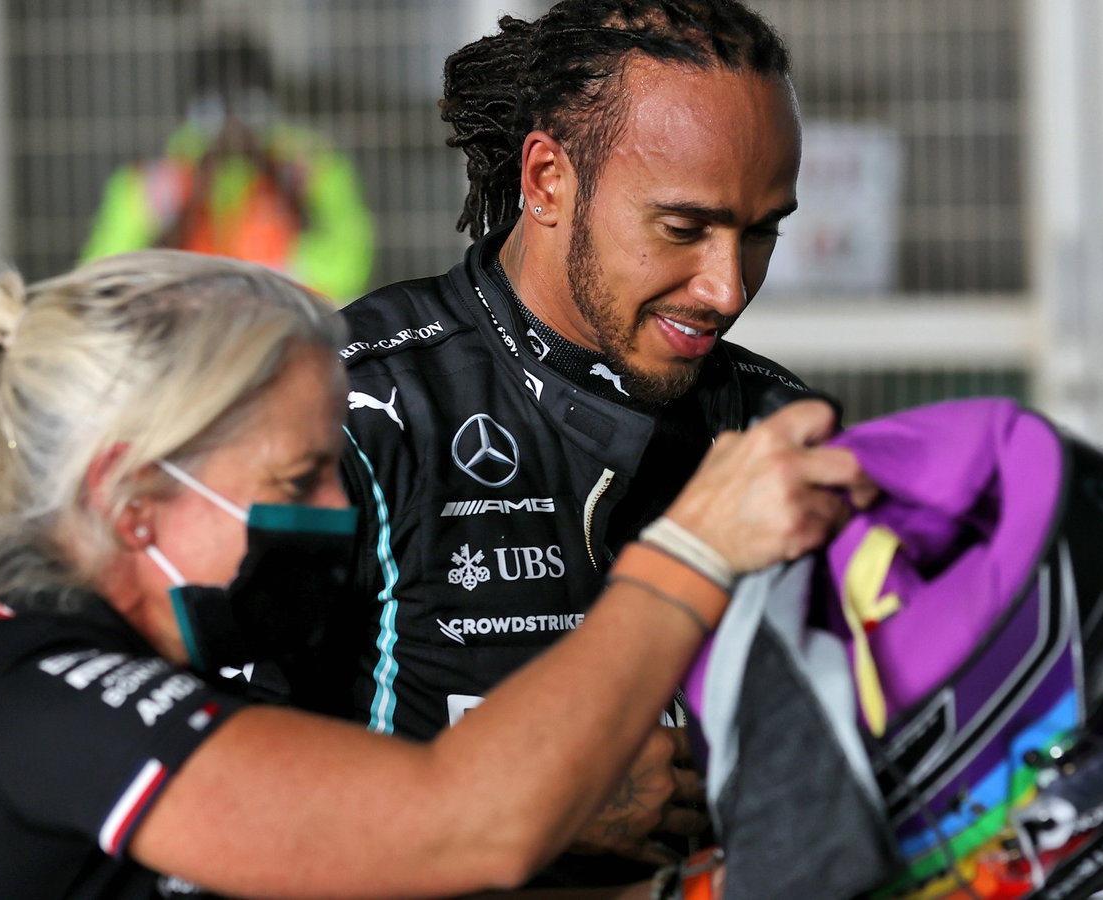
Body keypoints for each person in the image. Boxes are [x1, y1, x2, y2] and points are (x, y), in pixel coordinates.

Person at [0, 251, 867, 899]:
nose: (339, 511)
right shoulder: (46, 701)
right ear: (135, 501)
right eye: (302, 473)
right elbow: (463, 821)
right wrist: (692, 551)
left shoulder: (54, 677)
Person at [334, 0, 847, 882]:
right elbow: (194, 795)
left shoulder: (773, 430)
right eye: (683, 229)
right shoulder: (354, 407)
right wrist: (532, 795)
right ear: (546, 181)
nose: (727, 289)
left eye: (761, 232)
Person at [82, 33, 374, 301]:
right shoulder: (154, 180)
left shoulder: (311, 165)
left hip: (291, 334)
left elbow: (348, 272)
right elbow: (107, 282)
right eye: (219, 106)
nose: (234, 121)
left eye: (248, 103)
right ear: (196, 107)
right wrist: (194, 195)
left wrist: (278, 181)